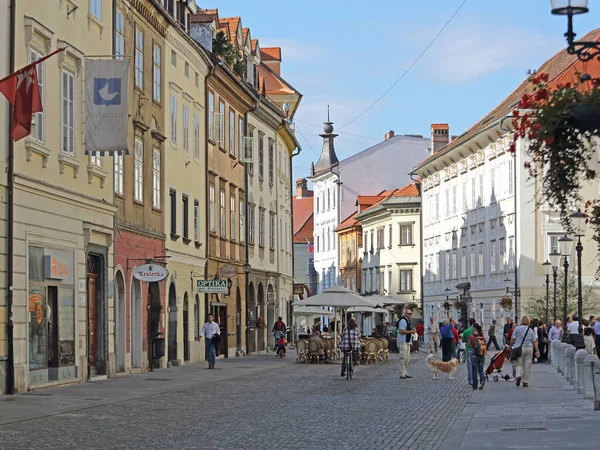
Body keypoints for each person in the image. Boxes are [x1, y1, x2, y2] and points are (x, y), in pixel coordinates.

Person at [510, 316, 540, 387]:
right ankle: (525, 381)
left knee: (519, 363)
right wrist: (537, 351)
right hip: (529, 348)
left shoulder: (517, 328)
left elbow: (512, 339)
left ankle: (518, 375)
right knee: (527, 365)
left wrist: (511, 346)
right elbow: (534, 341)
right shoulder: (530, 330)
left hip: (519, 348)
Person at [397, 309, 417, 379]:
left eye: (410, 313)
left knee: (407, 358)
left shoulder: (408, 321)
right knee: (403, 357)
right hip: (402, 341)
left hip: (407, 341)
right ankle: (402, 373)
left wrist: (410, 342)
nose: (410, 315)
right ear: (405, 314)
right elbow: (401, 331)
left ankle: (405, 372)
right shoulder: (403, 321)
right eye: (408, 313)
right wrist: (411, 331)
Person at [469, 324, 487, 390]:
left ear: (474, 328)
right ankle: (482, 380)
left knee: (474, 370)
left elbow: (469, 344)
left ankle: (475, 386)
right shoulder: (482, 335)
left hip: (474, 355)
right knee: (481, 370)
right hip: (482, 355)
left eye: (472, 327)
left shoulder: (471, 336)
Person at [462, 318, 476, 385]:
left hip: (468, 349)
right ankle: (477, 378)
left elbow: (463, 340)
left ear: (469, 323)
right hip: (476, 349)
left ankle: (470, 380)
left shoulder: (466, 331)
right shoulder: (476, 331)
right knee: (476, 364)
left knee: (469, 365)